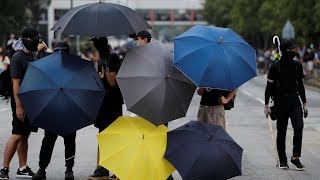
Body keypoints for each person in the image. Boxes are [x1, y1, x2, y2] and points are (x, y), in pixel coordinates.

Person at [0, 27, 40, 179]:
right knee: (16, 134)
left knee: (24, 135)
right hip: (21, 101)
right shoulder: (18, 57)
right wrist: (18, 106)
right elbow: (15, 84)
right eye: (34, 39)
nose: (36, 41)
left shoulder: (33, 55)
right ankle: (4, 169)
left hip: (31, 102)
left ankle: (22, 167)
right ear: (25, 40)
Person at [32, 41, 76, 180]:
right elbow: (37, 76)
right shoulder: (48, 67)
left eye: (63, 52)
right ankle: (42, 168)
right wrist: (39, 53)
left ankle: (69, 169)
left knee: (69, 141)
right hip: (52, 110)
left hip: (69, 110)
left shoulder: (74, 68)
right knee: (48, 141)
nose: (60, 55)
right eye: (58, 52)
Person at [264, 38, 307, 170]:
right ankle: (283, 160)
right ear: (285, 51)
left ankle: (295, 157)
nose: (295, 51)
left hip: (294, 100)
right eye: (292, 49)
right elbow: (269, 87)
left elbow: (300, 85)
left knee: (299, 127)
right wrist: (266, 105)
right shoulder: (275, 66)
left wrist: (304, 103)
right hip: (280, 101)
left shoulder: (297, 65)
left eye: (295, 49)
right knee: (281, 131)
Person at [88, 37, 123, 180]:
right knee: (102, 135)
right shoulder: (101, 57)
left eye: (98, 44)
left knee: (113, 136)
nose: (96, 47)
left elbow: (112, 82)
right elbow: (101, 79)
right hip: (103, 103)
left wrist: (106, 68)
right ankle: (101, 169)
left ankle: (117, 170)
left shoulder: (113, 57)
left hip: (113, 103)